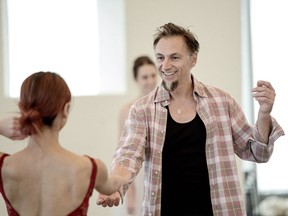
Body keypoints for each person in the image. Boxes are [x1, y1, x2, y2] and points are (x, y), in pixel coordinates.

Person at [97, 23, 285, 216]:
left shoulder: (222, 102)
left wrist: (263, 114)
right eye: (160, 58)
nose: (166, 65)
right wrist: (115, 185)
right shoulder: (142, 110)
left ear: (193, 58)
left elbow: (257, 153)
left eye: (175, 57)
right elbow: (128, 156)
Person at [0, 71, 130, 216]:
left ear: (21, 108)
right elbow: (112, 185)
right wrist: (123, 175)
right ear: (65, 110)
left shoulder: (4, 166)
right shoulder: (89, 168)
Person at [119, 56, 158, 215]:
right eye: (144, 77)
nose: (150, 81)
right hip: (139, 174)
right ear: (136, 79)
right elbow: (122, 153)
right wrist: (130, 194)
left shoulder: (165, 105)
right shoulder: (127, 110)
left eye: (153, 75)